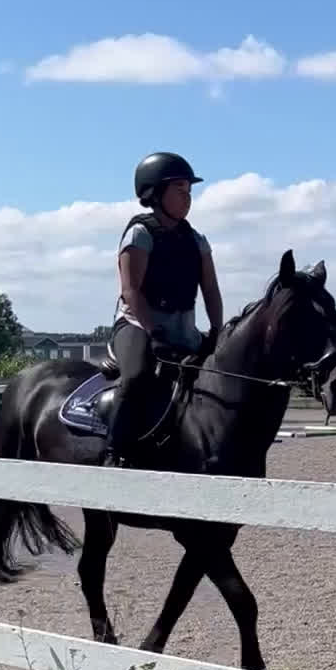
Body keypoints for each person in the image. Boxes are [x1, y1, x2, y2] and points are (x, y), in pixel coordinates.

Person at [106, 152, 224, 463]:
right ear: (155, 193)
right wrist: (154, 332)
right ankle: (113, 452)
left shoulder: (197, 241)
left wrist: (217, 330)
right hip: (138, 326)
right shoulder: (140, 234)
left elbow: (210, 289)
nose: (187, 199)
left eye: (190, 193)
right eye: (180, 191)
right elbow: (131, 290)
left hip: (183, 331)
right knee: (137, 376)